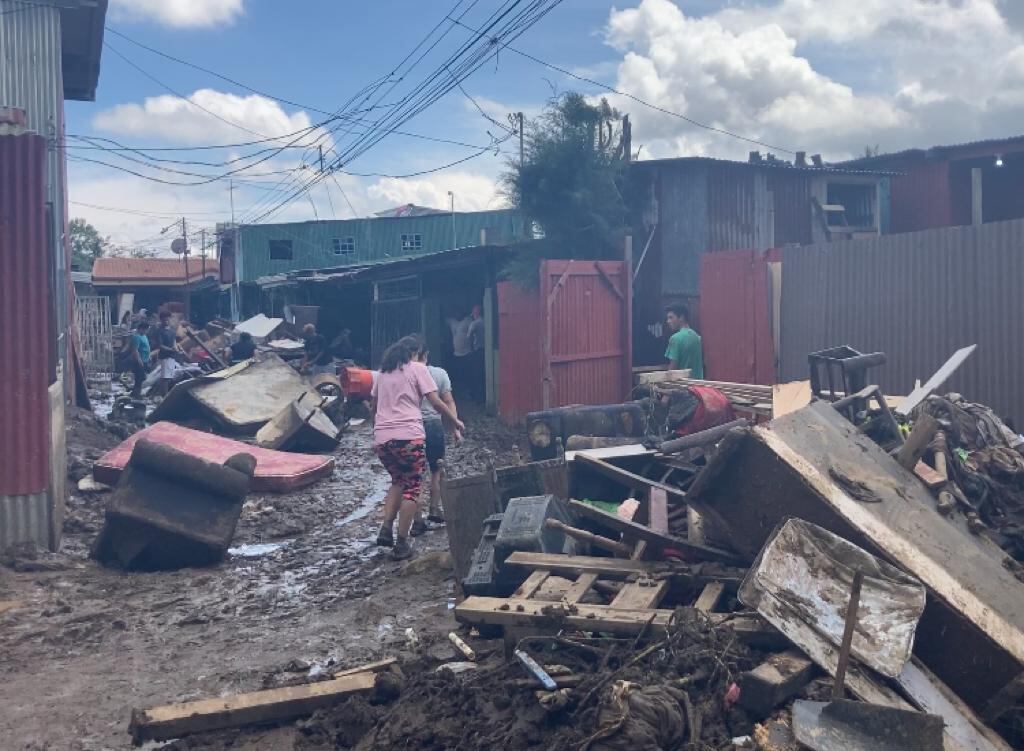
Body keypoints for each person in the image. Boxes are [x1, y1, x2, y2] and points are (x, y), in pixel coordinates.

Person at [371, 335, 464, 560]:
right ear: (417, 353)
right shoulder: (417, 369)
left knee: (397, 481)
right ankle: (402, 543)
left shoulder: (382, 372)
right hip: (408, 437)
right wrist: (455, 421)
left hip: (382, 438)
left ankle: (386, 529)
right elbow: (436, 402)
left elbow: (373, 406)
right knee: (412, 487)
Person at [410, 344, 460, 533]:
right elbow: (448, 401)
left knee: (415, 475)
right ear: (426, 355)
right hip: (433, 426)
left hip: (411, 427)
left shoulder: (405, 375)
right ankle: (435, 508)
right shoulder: (439, 373)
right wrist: (455, 426)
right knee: (436, 469)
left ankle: (417, 519)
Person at [664, 303, 704, 378]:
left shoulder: (675, 338)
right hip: (698, 385)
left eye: (671, 317)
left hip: (683, 386)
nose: (668, 321)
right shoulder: (697, 337)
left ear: (681, 317)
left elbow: (672, 369)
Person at [447, 309, 472, 396]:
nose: (457, 313)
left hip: (467, 353)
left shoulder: (467, 321)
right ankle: (460, 393)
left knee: (468, 375)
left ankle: (469, 393)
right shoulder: (452, 321)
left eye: (459, 311)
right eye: (455, 312)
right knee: (458, 375)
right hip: (456, 353)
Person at [124, 322, 151, 398]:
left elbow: (147, 347)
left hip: (145, 360)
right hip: (139, 361)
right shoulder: (136, 337)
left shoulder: (144, 336)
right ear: (142, 329)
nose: (147, 331)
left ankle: (135, 393)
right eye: (147, 330)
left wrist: (149, 357)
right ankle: (136, 394)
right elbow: (135, 350)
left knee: (142, 378)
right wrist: (139, 361)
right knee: (139, 378)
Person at [155, 310, 179, 396]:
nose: (166, 321)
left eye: (168, 320)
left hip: (172, 356)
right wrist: (170, 349)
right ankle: (164, 395)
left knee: (169, 378)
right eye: (164, 320)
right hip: (164, 357)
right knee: (164, 378)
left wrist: (176, 348)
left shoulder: (172, 330)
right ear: (161, 320)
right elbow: (160, 345)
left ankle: (166, 394)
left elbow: (174, 341)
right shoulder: (160, 331)